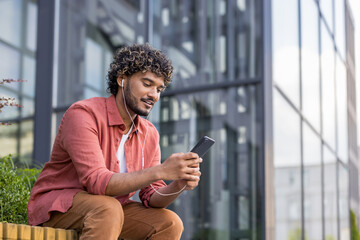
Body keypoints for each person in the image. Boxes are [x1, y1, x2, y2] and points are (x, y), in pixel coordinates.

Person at [28, 43, 202, 240]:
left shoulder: (149, 133)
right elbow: (96, 182)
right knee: (107, 208)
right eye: (147, 84)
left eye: (159, 89)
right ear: (122, 80)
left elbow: (151, 196)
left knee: (169, 223)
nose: (154, 95)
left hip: (112, 210)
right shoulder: (83, 114)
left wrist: (178, 183)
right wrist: (161, 170)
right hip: (59, 207)